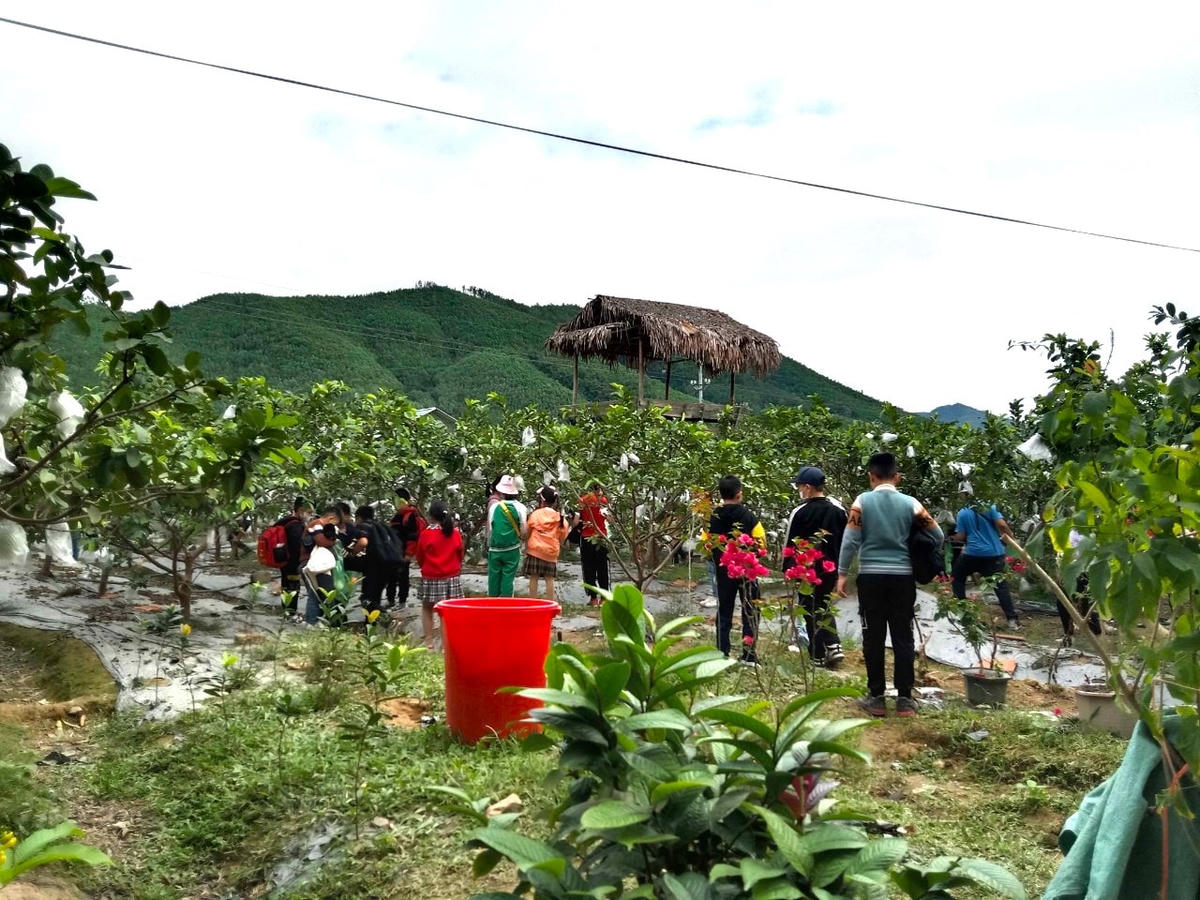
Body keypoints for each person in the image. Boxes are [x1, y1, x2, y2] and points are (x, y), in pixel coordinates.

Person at [836, 453, 943, 718]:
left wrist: (842, 574)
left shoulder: (862, 502)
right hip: (903, 578)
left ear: (871, 476)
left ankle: (876, 698)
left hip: (871, 577)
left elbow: (850, 540)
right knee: (903, 636)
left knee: (873, 636)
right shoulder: (911, 504)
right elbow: (938, 535)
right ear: (897, 477)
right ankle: (905, 699)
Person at [785, 466, 848, 668]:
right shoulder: (839, 511)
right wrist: (843, 569)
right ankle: (831, 646)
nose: (799, 490)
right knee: (823, 603)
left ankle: (820, 652)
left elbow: (790, 543)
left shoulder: (800, 512)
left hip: (804, 568)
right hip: (830, 567)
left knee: (808, 607)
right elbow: (846, 541)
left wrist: (788, 568)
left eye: (799, 486)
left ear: (808, 487)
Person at [708, 474, 767, 664]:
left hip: (723, 570)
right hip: (747, 571)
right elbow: (761, 543)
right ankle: (748, 655)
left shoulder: (713, 517)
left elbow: (706, 543)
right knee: (750, 609)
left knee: (724, 610)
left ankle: (722, 652)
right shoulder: (749, 517)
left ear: (721, 494)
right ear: (739, 493)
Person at [949, 490, 1019, 631]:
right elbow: (1002, 525)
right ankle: (1012, 620)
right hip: (994, 554)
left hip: (973, 554)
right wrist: (1013, 539)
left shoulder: (962, 512)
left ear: (963, 495)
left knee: (957, 578)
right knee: (1001, 586)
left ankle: (963, 614)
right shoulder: (988, 506)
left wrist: (950, 539)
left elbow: (961, 536)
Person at [415, 499, 464, 649]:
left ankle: (429, 642)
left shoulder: (426, 534)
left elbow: (420, 556)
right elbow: (460, 554)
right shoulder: (455, 533)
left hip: (431, 577)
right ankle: (445, 645)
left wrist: (426, 567)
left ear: (430, 516)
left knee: (427, 608)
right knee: (446, 612)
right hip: (451, 578)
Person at [524, 485, 573, 602]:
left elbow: (528, 531)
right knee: (550, 579)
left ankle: (532, 602)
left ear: (542, 500)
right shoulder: (560, 518)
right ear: (555, 502)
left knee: (534, 577)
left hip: (535, 550)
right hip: (551, 552)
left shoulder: (536, 514)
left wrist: (527, 542)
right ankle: (550, 603)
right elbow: (563, 536)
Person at [486, 475, 528, 597]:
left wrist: (489, 545)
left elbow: (491, 528)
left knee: (493, 578)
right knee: (508, 578)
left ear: (501, 491)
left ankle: (492, 602)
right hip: (512, 549)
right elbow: (524, 530)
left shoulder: (494, 507)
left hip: (495, 549)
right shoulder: (521, 507)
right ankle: (507, 603)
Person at [386, 487, 424, 609]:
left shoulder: (409, 515)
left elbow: (413, 536)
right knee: (391, 576)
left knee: (403, 577)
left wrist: (408, 554)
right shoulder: (398, 514)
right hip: (394, 552)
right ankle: (391, 600)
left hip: (403, 552)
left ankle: (402, 601)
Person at [302, 524, 345, 626]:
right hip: (321, 571)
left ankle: (311, 621)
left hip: (312, 569)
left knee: (314, 595)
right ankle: (314, 621)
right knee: (320, 597)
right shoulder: (325, 543)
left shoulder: (316, 537)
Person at [276, 497, 312, 614]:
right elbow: (297, 545)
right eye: (309, 512)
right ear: (300, 510)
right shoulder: (296, 526)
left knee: (286, 586)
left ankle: (287, 611)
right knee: (292, 588)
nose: (310, 515)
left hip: (283, 560)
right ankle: (290, 612)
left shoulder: (285, 521)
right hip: (292, 562)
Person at [577, 482, 611, 606]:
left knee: (588, 568)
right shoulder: (604, 501)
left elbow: (579, 518)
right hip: (601, 536)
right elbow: (610, 519)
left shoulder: (582, 500)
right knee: (603, 567)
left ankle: (593, 598)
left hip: (587, 537)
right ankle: (604, 597)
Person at [354, 505, 391, 615]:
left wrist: (352, 553)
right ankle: (372, 621)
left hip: (373, 566)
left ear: (359, 517)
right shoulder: (380, 526)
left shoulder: (363, 526)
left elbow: (362, 542)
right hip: (386, 565)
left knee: (366, 597)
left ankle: (384, 616)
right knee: (376, 596)